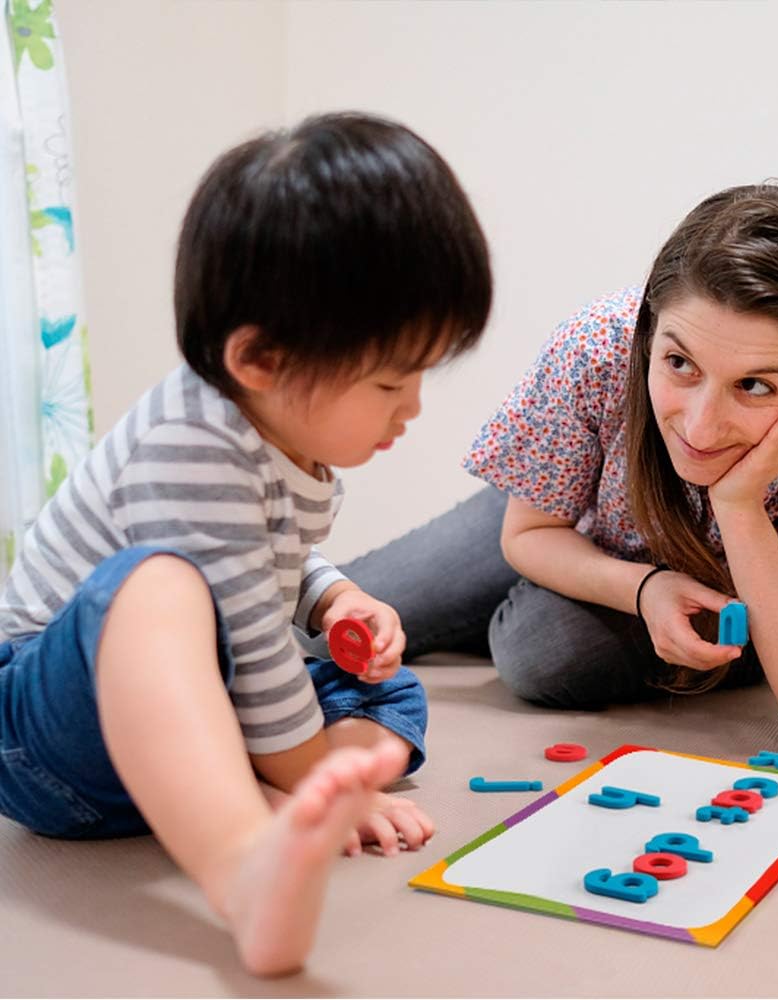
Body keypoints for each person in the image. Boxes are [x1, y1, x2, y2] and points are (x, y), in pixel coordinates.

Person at [0, 112, 491, 975]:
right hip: (50, 729)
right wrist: (303, 768)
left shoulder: (273, 430)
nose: (410, 408)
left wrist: (335, 595)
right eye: (389, 381)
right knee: (157, 589)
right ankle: (243, 862)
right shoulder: (190, 442)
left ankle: (242, 781)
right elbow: (249, 637)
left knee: (393, 690)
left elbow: (269, 558)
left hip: (171, 711)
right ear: (259, 359)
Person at [333, 180, 778, 767]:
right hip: (569, 515)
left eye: (755, 385)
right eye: (679, 364)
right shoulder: (602, 343)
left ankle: (524, 607)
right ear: (647, 335)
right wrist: (644, 590)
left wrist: (740, 505)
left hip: (752, 599)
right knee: (327, 621)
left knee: (539, 650)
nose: (701, 430)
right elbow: (530, 532)